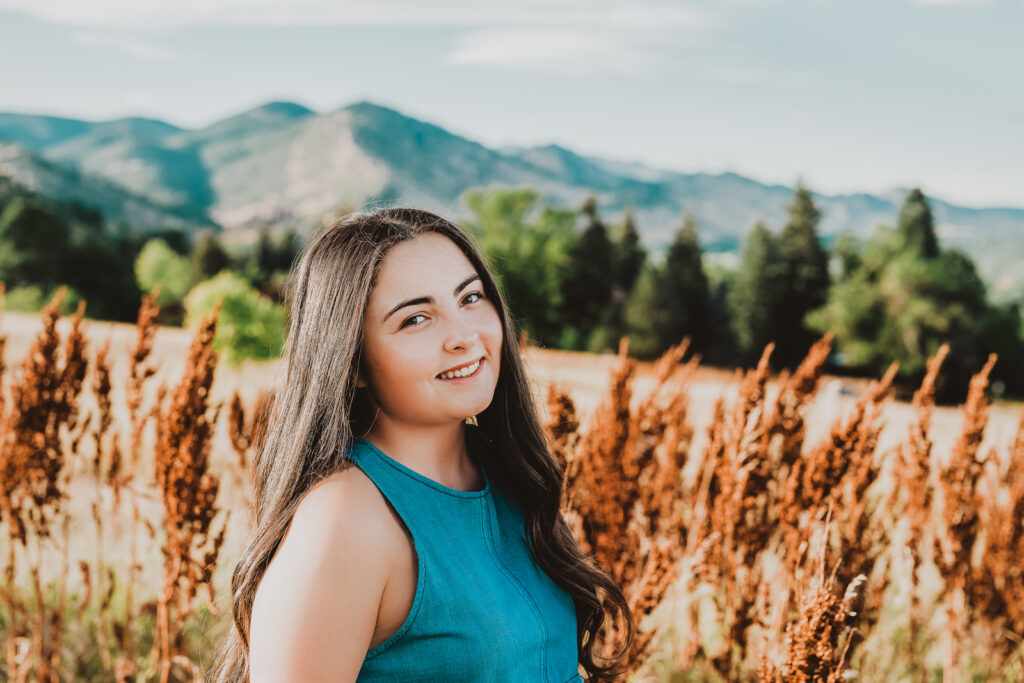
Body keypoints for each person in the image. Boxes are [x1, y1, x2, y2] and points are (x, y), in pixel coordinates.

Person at [212, 208, 634, 682]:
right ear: (351, 361)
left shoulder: (508, 474)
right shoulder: (343, 524)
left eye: (471, 297)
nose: (463, 335)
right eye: (415, 319)